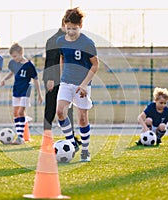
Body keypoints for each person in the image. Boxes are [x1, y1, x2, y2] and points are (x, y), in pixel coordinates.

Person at [56, 7, 99, 162]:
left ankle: (85, 151)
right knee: (60, 112)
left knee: (82, 118)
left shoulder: (87, 43)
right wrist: (62, 78)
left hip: (82, 85)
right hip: (66, 82)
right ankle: (72, 142)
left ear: (80, 26)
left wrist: (84, 85)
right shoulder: (60, 41)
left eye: (74, 28)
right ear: (64, 26)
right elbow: (62, 59)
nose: (71, 32)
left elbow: (95, 65)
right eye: (68, 28)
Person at [0, 43, 42, 145]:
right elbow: (12, 73)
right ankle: (20, 135)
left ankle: (20, 137)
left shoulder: (29, 65)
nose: (14, 59)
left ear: (21, 53)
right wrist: (4, 79)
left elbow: (36, 80)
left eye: (15, 56)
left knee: (20, 112)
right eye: (12, 57)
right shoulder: (13, 63)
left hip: (25, 90)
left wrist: (40, 95)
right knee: (15, 113)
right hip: (16, 90)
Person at [43, 17, 76, 138]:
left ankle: (71, 136)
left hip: (67, 79)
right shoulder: (54, 40)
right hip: (53, 80)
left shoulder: (69, 39)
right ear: (64, 24)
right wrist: (51, 79)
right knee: (50, 108)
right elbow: (51, 60)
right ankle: (47, 137)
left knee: (68, 108)